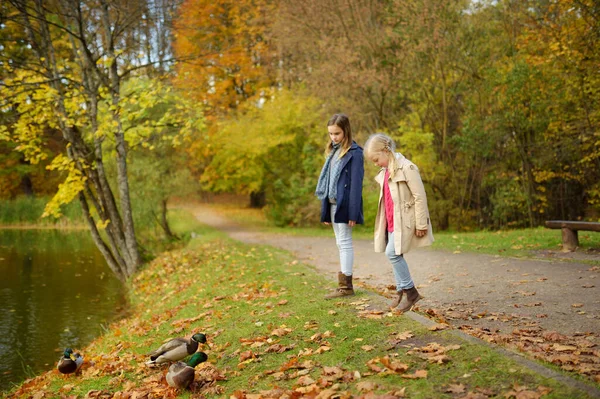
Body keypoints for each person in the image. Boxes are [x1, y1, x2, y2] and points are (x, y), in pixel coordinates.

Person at [363, 133, 434, 313]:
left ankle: (411, 293)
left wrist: (421, 224)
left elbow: (419, 197)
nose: (375, 163)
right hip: (392, 221)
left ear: (386, 151)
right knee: (395, 253)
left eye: (376, 159)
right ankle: (401, 291)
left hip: (406, 220)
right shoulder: (385, 172)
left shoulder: (407, 168)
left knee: (392, 253)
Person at [315, 113, 364, 299]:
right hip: (333, 203)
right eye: (330, 133)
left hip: (344, 205)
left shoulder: (355, 153)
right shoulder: (333, 152)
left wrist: (353, 211)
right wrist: (326, 210)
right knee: (340, 243)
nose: (333, 137)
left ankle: (346, 287)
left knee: (344, 243)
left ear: (346, 131)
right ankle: (344, 285)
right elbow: (328, 183)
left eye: (337, 133)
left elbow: (356, 185)